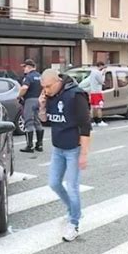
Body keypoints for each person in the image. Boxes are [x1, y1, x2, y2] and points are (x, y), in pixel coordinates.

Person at [38, 69, 91, 242]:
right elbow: (45, 120)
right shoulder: (50, 96)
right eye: (43, 87)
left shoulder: (76, 95)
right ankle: (74, 211)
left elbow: (85, 126)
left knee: (72, 188)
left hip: (73, 149)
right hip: (57, 148)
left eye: (48, 86)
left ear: (57, 81)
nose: (46, 90)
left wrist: (83, 154)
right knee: (53, 183)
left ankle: (74, 223)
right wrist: (42, 105)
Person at [18, 59, 44, 153]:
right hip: (39, 100)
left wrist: (19, 95)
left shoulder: (28, 77)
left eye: (24, 67)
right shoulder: (39, 76)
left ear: (29, 67)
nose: (24, 69)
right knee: (37, 121)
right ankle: (39, 145)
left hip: (29, 100)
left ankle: (29, 146)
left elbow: (24, 88)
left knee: (28, 121)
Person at [90, 61, 107, 126]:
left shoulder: (92, 72)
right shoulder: (97, 72)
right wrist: (103, 74)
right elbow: (102, 81)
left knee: (93, 107)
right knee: (99, 107)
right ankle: (100, 121)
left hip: (92, 92)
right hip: (97, 92)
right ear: (100, 65)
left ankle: (92, 121)